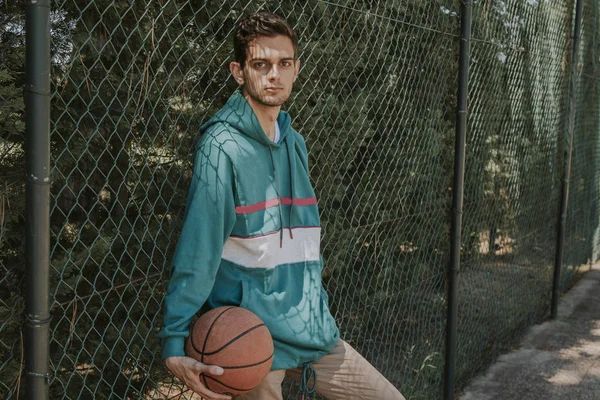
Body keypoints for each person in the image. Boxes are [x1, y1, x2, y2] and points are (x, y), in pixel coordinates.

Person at [158, 11, 405, 400]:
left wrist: (317, 306)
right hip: (253, 345)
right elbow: (199, 249)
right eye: (261, 64)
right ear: (239, 72)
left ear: (296, 69)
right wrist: (175, 339)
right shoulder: (222, 145)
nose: (274, 74)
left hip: (312, 331)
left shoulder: (295, 143)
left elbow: (304, 247)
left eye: (283, 63)